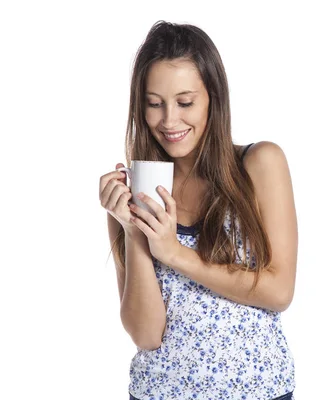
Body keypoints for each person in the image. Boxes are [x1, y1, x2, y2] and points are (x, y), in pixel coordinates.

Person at [98, 20, 297, 400]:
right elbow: (146, 334)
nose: (169, 121)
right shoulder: (133, 190)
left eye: (185, 102)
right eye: (154, 104)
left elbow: (278, 291)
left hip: (259, 391)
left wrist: (175, 254)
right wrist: (132, 230)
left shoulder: (259, 164)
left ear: (213, 98)